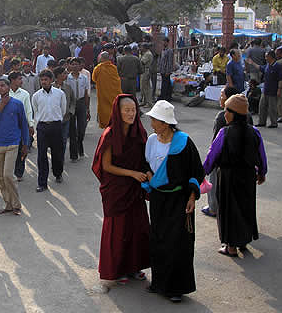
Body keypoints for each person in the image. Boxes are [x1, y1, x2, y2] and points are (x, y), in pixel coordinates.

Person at [142, 100, 204, 302]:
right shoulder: (151, 140)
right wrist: (150, 180)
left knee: (178, 243)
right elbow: (147, 166)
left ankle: (176, 288)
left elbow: (196, 171)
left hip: (179, 200)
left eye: (154, 120)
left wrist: (192, 196)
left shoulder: (183, 142)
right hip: (159, 200)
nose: (151, 124)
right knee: (158, 239)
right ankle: (159, 283)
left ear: (165, 123)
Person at [91, 94, 150, 289]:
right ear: (118, 111)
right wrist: (132, 174)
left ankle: (134, 266)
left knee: (137, 226)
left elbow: (145, 159)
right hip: (117, 188)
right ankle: (118, 269)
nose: (131, 114)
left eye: (133, 110)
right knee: (118, 230)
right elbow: (106, 166)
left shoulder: (140, 133)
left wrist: (146, 172)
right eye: (127, 110)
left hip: (134, 188)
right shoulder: (110, 134)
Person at [203, 94, 267, 257]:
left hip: (228, 177)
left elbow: (212, 154)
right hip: (247, 177)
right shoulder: (254, 132)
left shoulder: (225, 133)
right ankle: (243, 241)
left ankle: (230, 247)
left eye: (227, 111)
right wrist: (261, 172)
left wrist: (202, 172)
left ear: (234, 114)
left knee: (228, 210)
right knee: (245, 207)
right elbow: (261, 155)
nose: (224, 115)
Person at [201, 86, 253, 218]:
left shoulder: (222, 123)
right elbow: (259, 152)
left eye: (222, 95)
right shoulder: (250, 122)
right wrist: (261, 170)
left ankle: (213, 208)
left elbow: (214, 149)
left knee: (215, 182)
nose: (220, 98)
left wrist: (203, 171)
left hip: (224, 165)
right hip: (246, 166)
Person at [0, 78, 29, 215]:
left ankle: (16, 204)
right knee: (0, 177)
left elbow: (23, 124)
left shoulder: (17, 104)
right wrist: (0, 107)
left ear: (8, 87)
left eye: (3, 86)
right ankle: (8, 204)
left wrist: (25, 143)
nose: (0, 88)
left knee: (8, 175)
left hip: (13, 143)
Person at [32, 70, 66, 191]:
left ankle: (58, 173)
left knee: (57, 153)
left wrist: (56, 120)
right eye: (42, 80)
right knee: (41, 155)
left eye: (46, 79)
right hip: (42, 127)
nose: (44, 82)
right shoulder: (36, 96)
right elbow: (36, 112)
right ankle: (42, 183)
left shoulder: (60, 94)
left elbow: (63, 109)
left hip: (56, 126)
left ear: (51, 80)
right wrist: (37, 128)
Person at [7, 71, 34, 182]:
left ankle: (19, 172)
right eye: (19, 79)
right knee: (10, 149)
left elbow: (28, 110)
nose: (21, 81)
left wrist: (31, 124)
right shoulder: (5, 93)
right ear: (12, 80)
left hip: (21, 126)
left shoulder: (25, 94)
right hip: (9, 126)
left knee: (22, 149)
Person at [247, 50, 282, 128]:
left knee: (272, 107)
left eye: (267, 56)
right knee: (262, 106)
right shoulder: (267, 65)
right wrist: (252, 63)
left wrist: (279, 89)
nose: (265, 58)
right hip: (265, 89)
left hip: (273, 90)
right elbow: (260, 68)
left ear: (271, 57)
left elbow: (280, 79)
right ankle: (262, 121)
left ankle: (274, 123)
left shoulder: (277, 66)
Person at [66, 58, 90, 162]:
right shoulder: (67, 78)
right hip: (71, 103)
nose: (75, 66)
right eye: (73, 64)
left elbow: (86, 93)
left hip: (81, 103)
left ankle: (80, 145)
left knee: (81, 128)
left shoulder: (84, 78)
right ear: (70, 66)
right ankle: (74, 154)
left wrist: (87, 107)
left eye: (77, 64)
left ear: (80, 66)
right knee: (72, 130)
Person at [92, 52, 122, 128]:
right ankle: (115, 122)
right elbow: (117, 80)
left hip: (103, 93)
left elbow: (94, 79)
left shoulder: (98, 68)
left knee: (104, 108)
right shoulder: (113, 68)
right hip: (114, 93)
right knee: (113, 107)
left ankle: (106, 124)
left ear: (101, 58)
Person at [53, 66, 75, 161]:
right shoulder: (51, 87)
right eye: (64, 73)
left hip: (66, 118)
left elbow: (73, 101)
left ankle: (60, 158)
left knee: (64, 139)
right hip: (54, 119)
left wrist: (70, 111)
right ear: (58, 75)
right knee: (55, 140)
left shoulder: (68, 87)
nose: (66, 75)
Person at [276, 45, 282, 123]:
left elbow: (274, 64)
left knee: (281, 98)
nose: (277, 55)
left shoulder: (281, 61)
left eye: (278, 54)